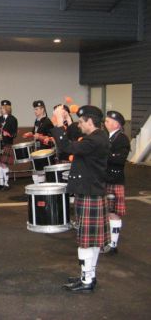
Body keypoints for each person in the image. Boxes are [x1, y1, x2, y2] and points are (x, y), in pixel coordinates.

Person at [51, 105, 110, 293]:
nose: (79, 125)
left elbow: (67, 146)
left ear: (90, 122)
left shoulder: (94, 141)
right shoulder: (98, 136)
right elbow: (76, 133)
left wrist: (59, 124)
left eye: (82, 121)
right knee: (91, 241)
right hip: (91, 192)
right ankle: (88, 276)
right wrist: (68, 120)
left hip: (90, 194)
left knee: (85, 241)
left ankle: (86, 280)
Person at [102, 110, 130, 255]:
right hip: (105, 178)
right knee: (107, 213)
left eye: (108, 120)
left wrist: (102, 154)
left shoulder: (122, 139)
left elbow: (119, 160)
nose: (105, 122)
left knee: (114, 213)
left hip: (114, 179)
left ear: (116, 124)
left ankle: (113, 244)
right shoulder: (108, 136)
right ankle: (108, 241)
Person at [0, 100, 18, 191]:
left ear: (7, 108)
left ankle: (6, 184)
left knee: (4, 164)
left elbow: (15, 134)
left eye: (2, 108)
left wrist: (9, 134)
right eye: (1, 108)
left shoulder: (13, 119)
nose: (1, 109)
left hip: (7, 143)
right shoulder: (0, 119)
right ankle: (1, 183)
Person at [26, 100, 53, 184]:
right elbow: (35, 132)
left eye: (37, 109)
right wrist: (30, 133)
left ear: (42, 109)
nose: (35, 111)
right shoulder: (37, 120)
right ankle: (36, 188)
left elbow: (51, 137)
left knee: (41, 171)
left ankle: (41, 190)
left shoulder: (47, 121)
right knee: (35, 170)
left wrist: (40, 137)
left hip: (44, 150)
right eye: (34, 109)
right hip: (37, 148)